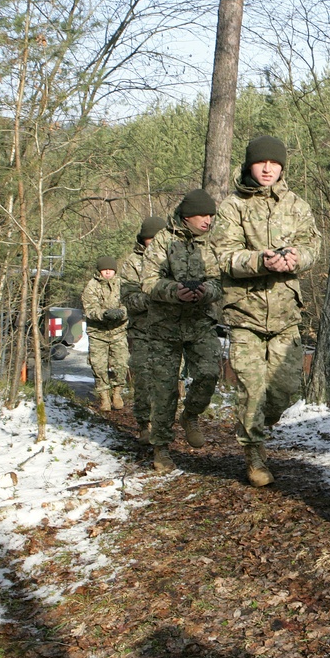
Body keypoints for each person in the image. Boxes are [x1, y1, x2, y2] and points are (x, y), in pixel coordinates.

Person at [210, 135, 321, 488]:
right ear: (249, 165)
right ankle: (254, 454)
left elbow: (312, 245)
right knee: (252, 390)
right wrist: (260, 261)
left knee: (284, 390)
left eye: (274, 163)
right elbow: (222, 257)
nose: (268, 168)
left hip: (286, 314)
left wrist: (296, 259)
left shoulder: (296, 205)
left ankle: (258, 424)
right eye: (261, 163)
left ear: (283, 167)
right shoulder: (232, 207)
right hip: (245, 315)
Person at [141, 189, 223, 474]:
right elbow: (147, 281)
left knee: (210, 372)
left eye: (211, 215)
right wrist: (173, 291)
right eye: (203, 215)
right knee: (164, 390)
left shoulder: (211, 242)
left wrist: (205, 292)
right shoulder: (163, 240)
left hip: (200, 323)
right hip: (164, 327)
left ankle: (191, 415)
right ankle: (161, 448)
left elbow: (218, 281)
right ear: (187, 216)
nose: (208, 220)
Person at [119, 215, 167, 443]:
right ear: (143, 239)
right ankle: (144, 424)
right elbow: (128, 299)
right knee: (143, 379)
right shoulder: (131, 263)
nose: (154, 242)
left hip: (170, 331)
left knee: (169, 382)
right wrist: (153, 298)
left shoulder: (173, 257)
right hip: (142, 331)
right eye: (151, 239)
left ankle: (164, 425)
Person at [81, 255, 130, 412]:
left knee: (121, 364)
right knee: (99, 367)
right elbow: (89, 309)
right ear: (99, 271)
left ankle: (117, 394)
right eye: (104, 270)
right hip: (98, 333)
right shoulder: (92, 286)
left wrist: (122, 313)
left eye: (110, 270)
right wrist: (103, 314)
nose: (108, 273)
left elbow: (130, 303)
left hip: (118, 331)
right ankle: (104, 398)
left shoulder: (122, 284)